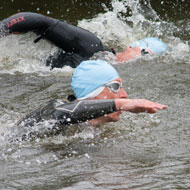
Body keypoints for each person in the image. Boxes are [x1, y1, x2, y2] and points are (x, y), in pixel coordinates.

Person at [17, 60, 167, 139]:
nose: (125, 94)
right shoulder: (56, 106)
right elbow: (59, 114)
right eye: (115, 87)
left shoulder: (95, 129)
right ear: (92, 91)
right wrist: (121, 104)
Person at [0, 12, 167, 69]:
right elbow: (38, 20)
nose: (143, 59)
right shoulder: (93, 46)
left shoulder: (113, 76)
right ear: (130, 47)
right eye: (145, 53)